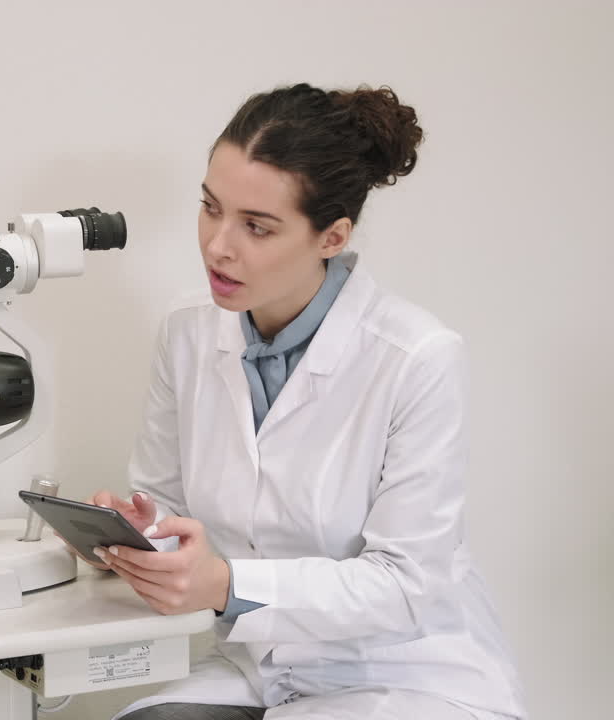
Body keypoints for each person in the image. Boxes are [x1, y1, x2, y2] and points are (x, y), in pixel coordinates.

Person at [83, 85, 527, 719]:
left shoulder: (417, 357)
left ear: (331, 236)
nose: (218, 245)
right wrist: (130, 535)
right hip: (251, 666)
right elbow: (170, 505)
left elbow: (404, 587)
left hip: (399, 672)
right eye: (211, 208)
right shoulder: (186, 331)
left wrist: (227, 585)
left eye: (256, 226)